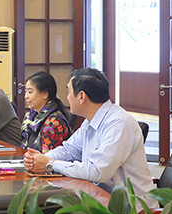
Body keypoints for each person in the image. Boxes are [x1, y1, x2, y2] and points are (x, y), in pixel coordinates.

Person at [23, 68, 157, 206]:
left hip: (130, 210)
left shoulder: (119, 123)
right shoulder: (89, 121)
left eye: (69, 92)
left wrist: (50, 164)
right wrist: (40, 160)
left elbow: (98, 171)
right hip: (97, 199)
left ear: (81, 96)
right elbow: (68, 150)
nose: (67, 98)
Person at [21, 71, 70, 152]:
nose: (26, 96)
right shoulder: (30, 116)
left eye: (30, 92)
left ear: (45, 94)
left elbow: (47, 157)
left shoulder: (53, 122)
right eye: (26, 92)